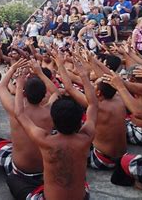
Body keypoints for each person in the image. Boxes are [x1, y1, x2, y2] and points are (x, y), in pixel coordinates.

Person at [10, 61, 98, 199]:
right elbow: (93, 104)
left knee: (12, 179)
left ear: (54, 119)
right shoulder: (87, 136)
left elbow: (19, 113)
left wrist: (20, 84)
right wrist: (84, 77)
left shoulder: (45, 140)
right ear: (80, 120)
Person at [0, 59, 59, 196]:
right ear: (44, 95)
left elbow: (1, 86)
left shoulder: (16, 110)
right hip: (44, 169)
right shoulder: (50, 110)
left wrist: (14, 70)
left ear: (24, 93)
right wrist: (40, 73)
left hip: (19, 170)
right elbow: (56, 92)